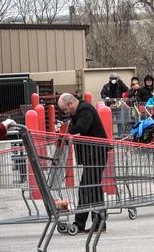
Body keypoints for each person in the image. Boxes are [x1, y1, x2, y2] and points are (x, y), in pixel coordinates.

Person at [58, 93, 108, 233]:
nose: (65, 113)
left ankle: (80, 224)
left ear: (71, 104)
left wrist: (65, 131)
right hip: (92, 155)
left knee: (86, 189)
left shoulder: (84, 110)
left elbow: (82, 128)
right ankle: (99, 223)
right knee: (94, 189)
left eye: (65, 109)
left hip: (96, 154)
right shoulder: (79, 111)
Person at [100, 72, 129, 137]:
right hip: (109, 107)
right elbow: (102, 94)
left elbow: (126, 89)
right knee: (109, 122)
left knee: (120, 122)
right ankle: (110, 135)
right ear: (109, 79)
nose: (113, 80)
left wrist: (120, 81)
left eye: (115, 78)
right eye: (112, 78)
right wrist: (105, 97)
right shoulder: (106, 86)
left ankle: (120, 135)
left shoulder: (120, 85)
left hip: (118, 106)